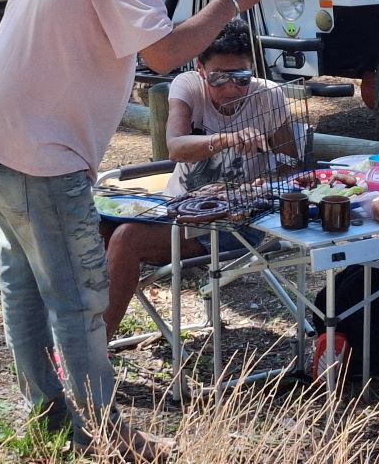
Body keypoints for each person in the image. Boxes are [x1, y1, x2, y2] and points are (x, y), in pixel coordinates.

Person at [0, 0, 263, 459]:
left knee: (26, 286)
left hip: (2, 129)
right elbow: (163, 54)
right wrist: (230, 1)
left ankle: (51, 421)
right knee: (78, 297)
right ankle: (105, 436)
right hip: (39, 146)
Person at [101, 19, 299, 342]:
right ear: (200, 69)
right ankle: (79, 332)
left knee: (126, 239)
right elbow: (176, 146)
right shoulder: (188, 86)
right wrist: (227, 140)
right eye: (219, 78)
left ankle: (96, 348)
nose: (231, 88)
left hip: (233, 223)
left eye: (242, 78)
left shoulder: (268, 97)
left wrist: (259, 185)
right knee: (98, 227)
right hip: (178, 209)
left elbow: (292, 167)